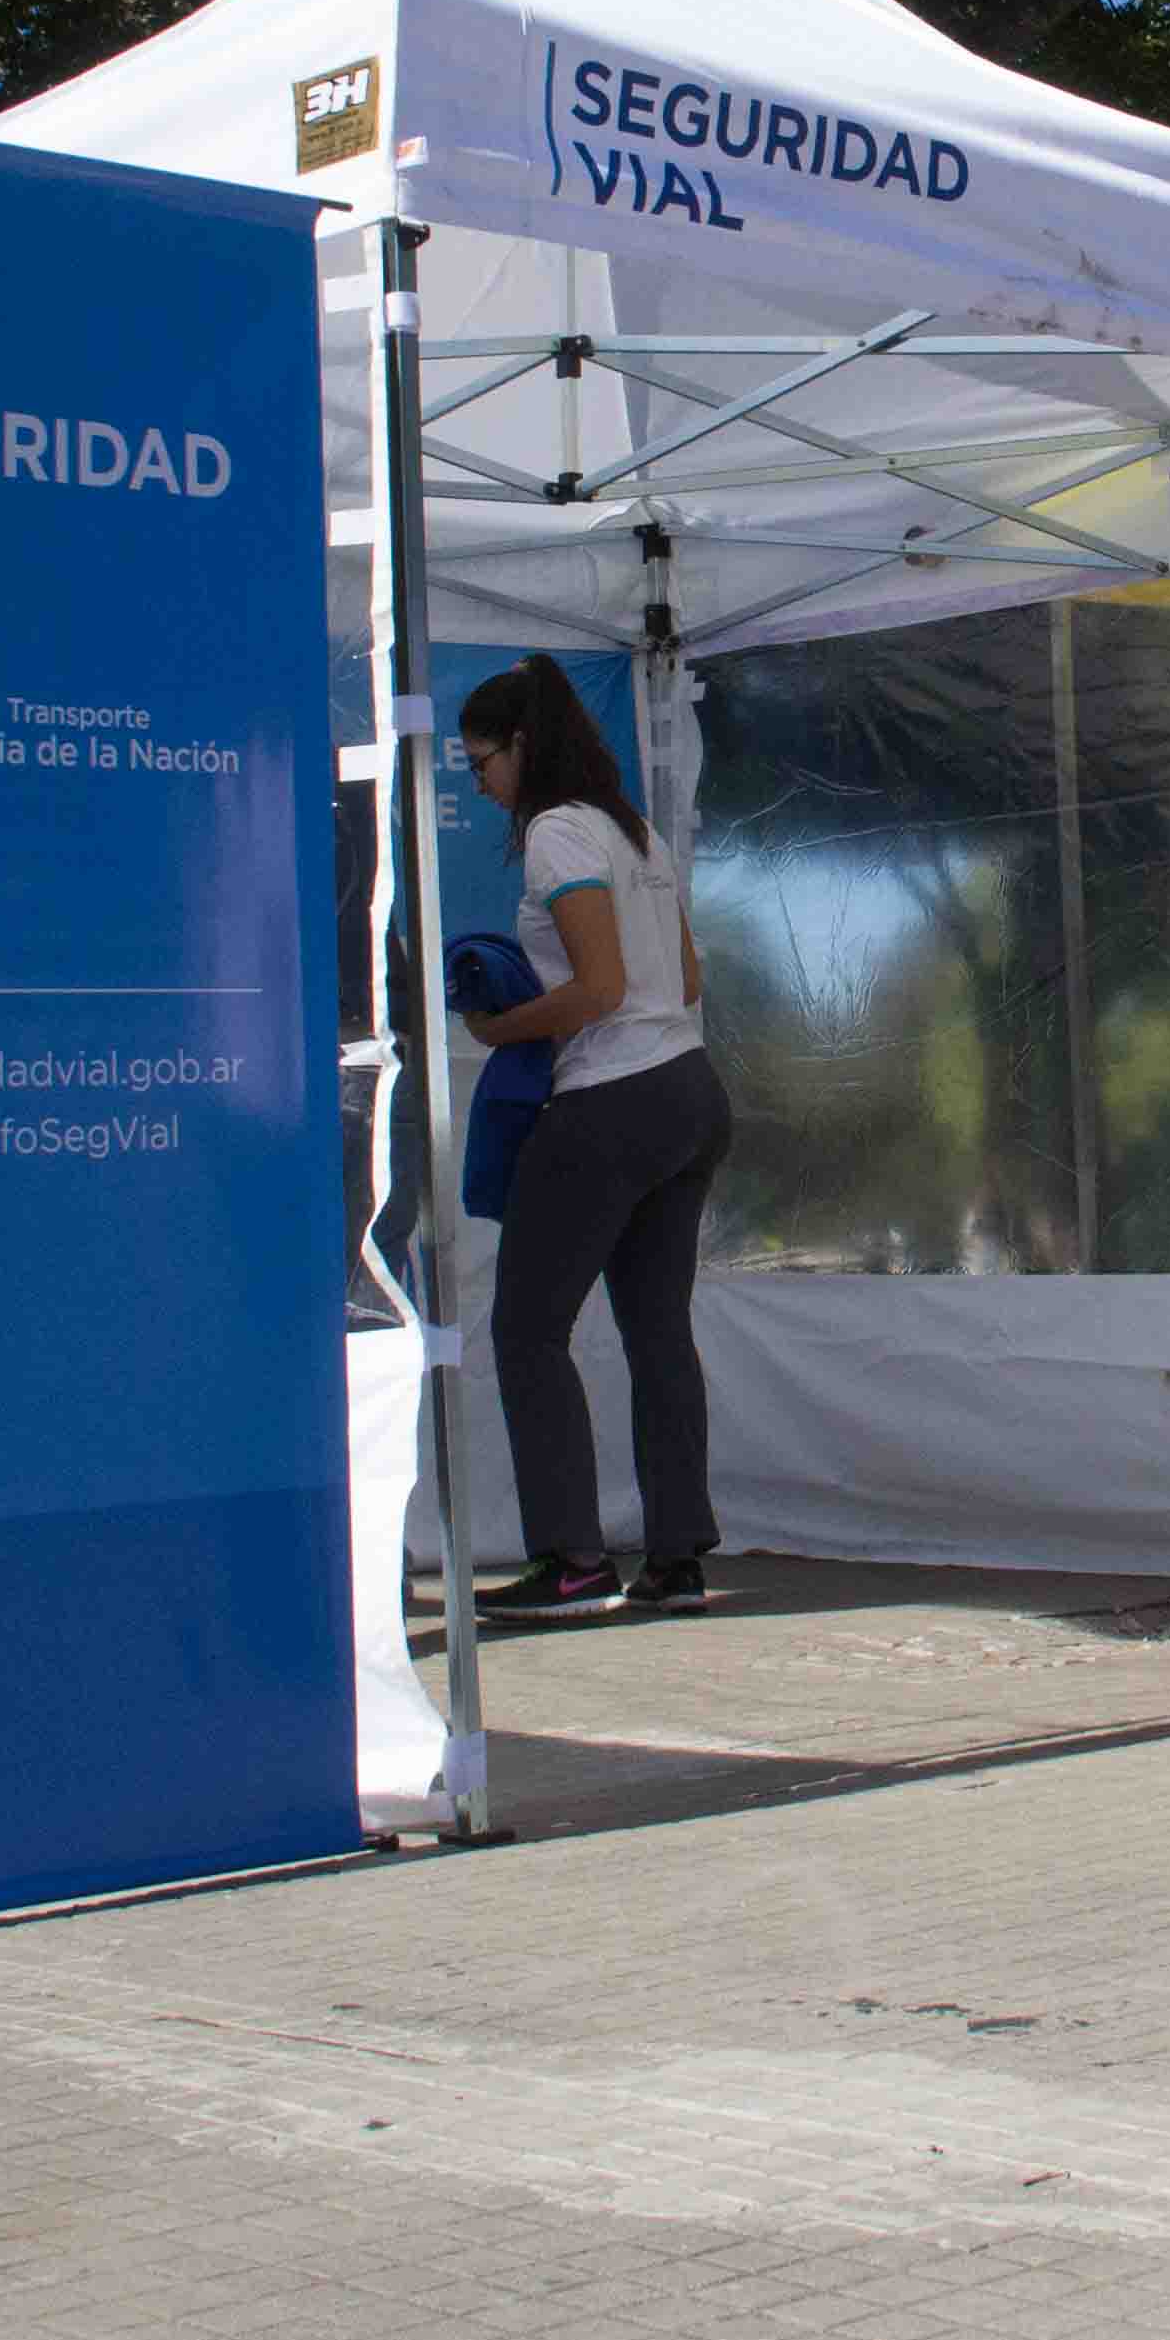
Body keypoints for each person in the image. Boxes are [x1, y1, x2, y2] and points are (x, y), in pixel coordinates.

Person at [455, 657, 732, 1622]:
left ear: (521, 746)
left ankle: (573, 1564)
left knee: (527, 1331)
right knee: (658, 1331)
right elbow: (683, 981)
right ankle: (677, 1560)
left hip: (610, 1101)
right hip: (690, 1092)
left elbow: (601, 991)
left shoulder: (557, 833)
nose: (478, 782)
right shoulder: (633, 829)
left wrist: (500, 1027)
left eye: (480, 761)